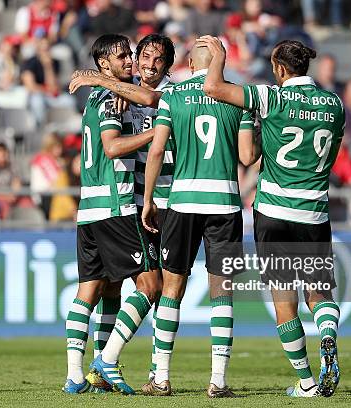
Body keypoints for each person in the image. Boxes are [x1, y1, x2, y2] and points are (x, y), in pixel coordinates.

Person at [199, 36, 344, 398]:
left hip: (274, 210)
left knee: (284, 299)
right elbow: (333, 156)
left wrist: (218, 56)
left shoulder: (271, 97)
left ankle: (307, 382)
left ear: (280, 68)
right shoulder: (335, 104)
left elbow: (213, 88)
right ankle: (327, 335)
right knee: (320, 292)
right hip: (313, 209)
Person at [141, 43, 257, 397]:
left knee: (172, 289)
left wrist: (148, 200)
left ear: (189, 63)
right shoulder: (237, 96)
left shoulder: (173, 94)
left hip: (182, 202)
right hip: (223, 203)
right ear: (220, 62)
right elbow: (247, 156)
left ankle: (161, 378)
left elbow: (158, 149)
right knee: (222, 291)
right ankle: (218, 380)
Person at [69, 32, 176, 388]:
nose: (132, 61)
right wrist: (158, 132)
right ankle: (107, 360)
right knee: (150, 284)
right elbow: (113, 148)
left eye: (132, 54)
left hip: (89, 208)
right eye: (123, 56)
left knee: (99, 289)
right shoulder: (108, 97)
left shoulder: (111, 95)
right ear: (104, 64)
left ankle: (77, 377)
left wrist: (110, 85)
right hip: (116, 205)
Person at [20, 37, 74, 125]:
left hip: (49, 94)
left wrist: (48, 67)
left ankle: (66, 129)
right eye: (43, 48)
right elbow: (30, 86)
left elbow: (54, 86)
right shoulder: (30, 62)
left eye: (47, 48)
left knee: (69, 101)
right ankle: (41, 127)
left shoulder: (55, 62)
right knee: (37, 101)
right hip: (37, 94)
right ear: (38, 49)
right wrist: (47, 90)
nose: (45, 51)